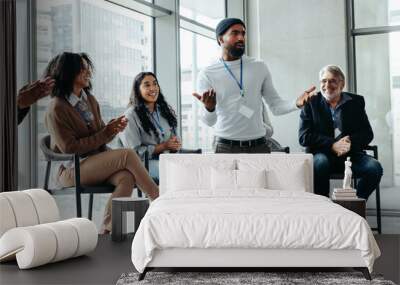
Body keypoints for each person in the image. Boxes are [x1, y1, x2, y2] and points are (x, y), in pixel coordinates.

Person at [45, 52, 159, 233]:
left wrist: (111, 130)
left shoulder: (89, 100)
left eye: (87, 68)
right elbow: (69, 148)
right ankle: (158, 199)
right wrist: (105, 133)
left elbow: (100, 136)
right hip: (71, 168)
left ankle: (107, 229)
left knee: (126, 177)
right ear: (68, 73)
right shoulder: (57, 107)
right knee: (128, 154)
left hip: (94, 162)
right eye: (82, 68)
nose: (88, 72)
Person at [193, 18, 315, 153]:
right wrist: (209, 108)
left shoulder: (258, 67)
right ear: (220, 39)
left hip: (259, 146)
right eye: (234, 33)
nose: (241, 38)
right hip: (224, 147)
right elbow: (209, 121)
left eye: (243, 33)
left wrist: (296, 103)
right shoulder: (208, 73)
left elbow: (276, 106)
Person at [299, 64, 383, 200]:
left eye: (332, 80)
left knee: (375, 168)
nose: (327, 85)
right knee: (320, 163)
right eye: (324, 81)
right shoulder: (311, 102)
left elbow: (367, 133)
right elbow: (304, 137)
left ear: (342, 84)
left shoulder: (356, 101)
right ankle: (324, 206)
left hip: (351, 155)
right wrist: (333, 144)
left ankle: (353, 205)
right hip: (323, 154)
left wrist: (349, 142)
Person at [119, 72, 181, 181]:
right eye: (147, 85)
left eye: (155, 84)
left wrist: (175, 144)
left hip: (167, 161)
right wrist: (163, 146)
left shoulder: (164, 112)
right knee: (175, 175)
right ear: (138, 90)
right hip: (143, 165)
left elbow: (174, 137)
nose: (153, 88)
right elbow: (134, 154)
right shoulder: (130, 116)